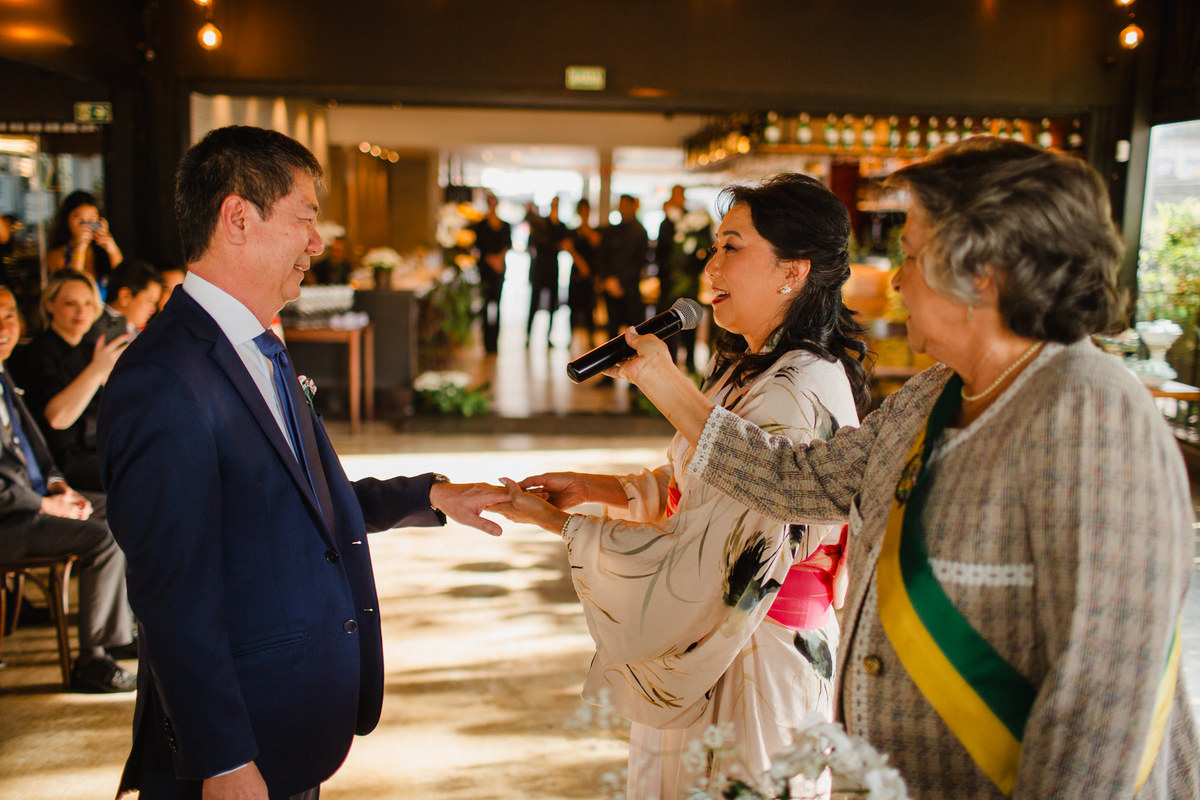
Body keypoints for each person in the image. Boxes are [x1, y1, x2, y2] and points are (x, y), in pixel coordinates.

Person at [595, 139, 1200, 798]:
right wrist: (664, 383)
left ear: (984, 272)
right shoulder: (935, 393)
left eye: (912, 256)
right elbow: (805, 481)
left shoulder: (1093, 419)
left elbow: (1103, 707)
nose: (897, 279)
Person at [96, 125, 508, 800]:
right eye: (305, 219)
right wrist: (224, 760)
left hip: (287, 734)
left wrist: (429, 496)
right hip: (234, 748)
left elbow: (300, 497)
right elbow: (173, 595)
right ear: (238, 218)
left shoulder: (260, 347)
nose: (319, 243)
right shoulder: (164, 380)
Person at [495, 174, 871, 798]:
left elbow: (731, 542)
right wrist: (597, 488)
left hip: (758, 647)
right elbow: (701, 488)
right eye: (715, 245)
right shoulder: (753, 368)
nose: (710, 262)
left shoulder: (802, 384)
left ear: (792, 272)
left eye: (732, 246)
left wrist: (565, 528)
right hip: (719, 637)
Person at [0, 286, 136, 693]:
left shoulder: (4, 375)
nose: (4, 327)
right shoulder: (35, 361)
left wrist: (58, 486)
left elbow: (33, 449)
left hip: (33, 499)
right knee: (104, 534)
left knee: (123, 508)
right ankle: (91, 660)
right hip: (10, 518)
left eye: (8, 316)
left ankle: (118, 635)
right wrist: (46, 504)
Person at [10, 269, 126, 493]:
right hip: (64, 462)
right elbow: (58, 418)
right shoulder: (36, 353)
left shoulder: (93, 349)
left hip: (104, 448)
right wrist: (96, 371)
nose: (81, 312)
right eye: (70, 303)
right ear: (50, 305)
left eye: (88, 303)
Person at [597, 194, 649, 340]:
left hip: (629, 288)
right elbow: (601, 257)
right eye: (621, 205)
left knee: (633, 331)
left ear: (634, 207)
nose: (623, 209)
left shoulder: (640, 232)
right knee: (611, 330)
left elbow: (639, 262)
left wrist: (620, 282)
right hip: (610, 287)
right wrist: (608, 280)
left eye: (626, 205)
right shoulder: (610, 231)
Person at [44, 191, 124, 284]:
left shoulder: (101, 250)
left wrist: (112, 249)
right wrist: (80, 248)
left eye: (91, 219)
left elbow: (123, 278)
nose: (86, 224)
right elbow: (71, 286)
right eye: (79, 218)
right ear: (67, 220)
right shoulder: (56, 255)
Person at [469, 193, 511, 355]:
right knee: (486, 305)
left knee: (498, 305)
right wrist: (491, 260)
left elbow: (508, 245)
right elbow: (478, 248)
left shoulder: (505, 225)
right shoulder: (481, 226)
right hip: (486, 270)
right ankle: (486, 341)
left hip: (499, 270)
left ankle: (495, 341)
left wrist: (498, 260)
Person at [525, 197, 567, 347]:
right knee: (534, 303)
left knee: (551, 304)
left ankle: (548, 335)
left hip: (552, 269)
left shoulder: (560, 226)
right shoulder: (541, 224)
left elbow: (563, 243)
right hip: (539, 269)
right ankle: (528, 335)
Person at [561, 197, 600, 353]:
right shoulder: (572, 232)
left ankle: (591, 339)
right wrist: (581, 264)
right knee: (574, 308)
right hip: (576, 275)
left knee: (590, 309)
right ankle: (570, 338)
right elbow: (568, 248)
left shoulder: (594, 231)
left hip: (589, 277)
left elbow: (597, 245)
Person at [92, 260, 165, 341]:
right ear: (125, 296)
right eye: (150, 301)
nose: (153, 310)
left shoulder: (142, 334)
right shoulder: (95, 331)